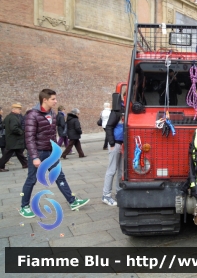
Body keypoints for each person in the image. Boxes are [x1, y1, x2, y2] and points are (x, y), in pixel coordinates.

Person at [19, 89, 89, 218]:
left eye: (55, 99)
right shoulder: (32, 115)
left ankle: (72, 201)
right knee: (32, 179)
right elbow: (29, 138)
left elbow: (52, 134)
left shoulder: (53, 113)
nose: (56, 101)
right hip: (38, 152)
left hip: (51, 152)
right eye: (53, 99)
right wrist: (34, 156)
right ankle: (24, 206)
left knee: (59, 176)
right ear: (44, 100)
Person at [101, 104, 124, 206]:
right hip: (116, 143)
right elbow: (109, 126)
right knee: (112, 169)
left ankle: (119, 192)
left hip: (123, 144)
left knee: (121, 170)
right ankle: (106, 195)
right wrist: (111, 143)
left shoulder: (125, 110)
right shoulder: (116, 111)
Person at [0, 103, 28, 171]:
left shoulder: (8, 117)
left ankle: (25, 164)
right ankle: (0, 166)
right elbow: (14, 128)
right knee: (7, 154)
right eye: (19, 109)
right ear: (14, 110)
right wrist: (21, 132)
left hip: (11, 138)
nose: (20, 111)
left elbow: (4, 125)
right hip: (14, 139)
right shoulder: (13, 118)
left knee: (19, 152)